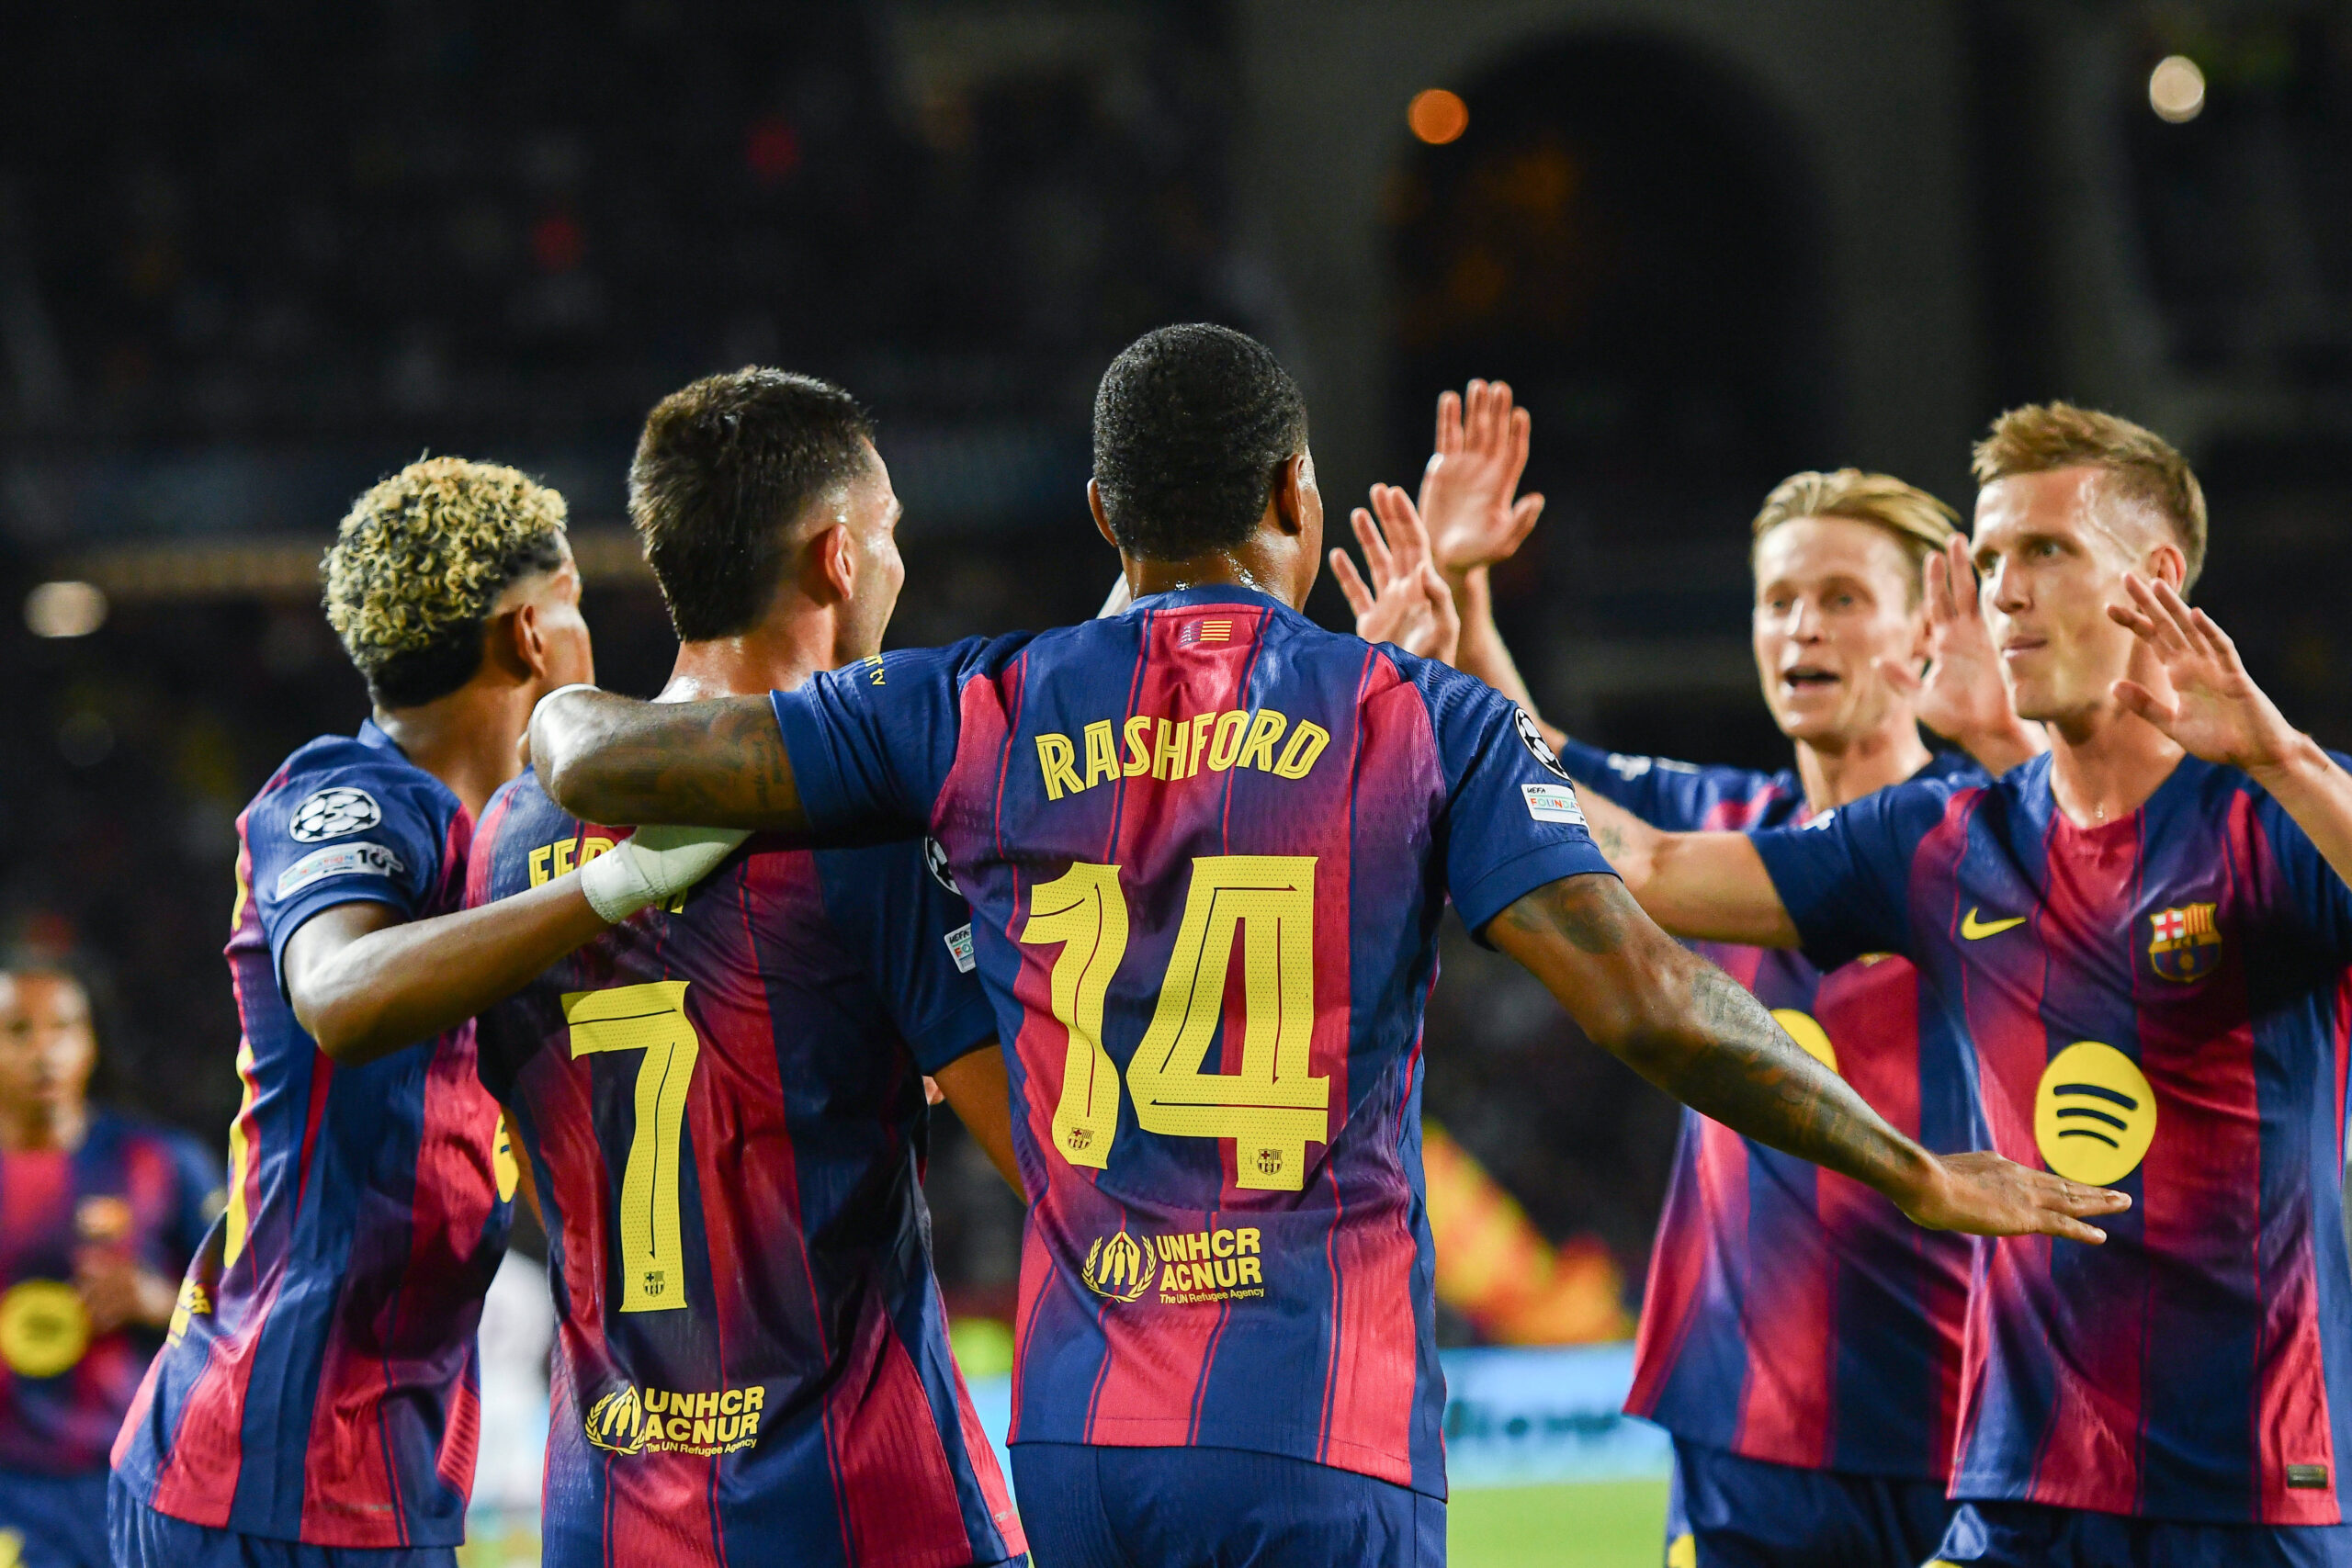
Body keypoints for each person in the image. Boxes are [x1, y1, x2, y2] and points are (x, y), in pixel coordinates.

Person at [521, 325, 2125, 1567]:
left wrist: (560, 704)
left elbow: (608, 761)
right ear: (1295, 497)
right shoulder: (1415, 720)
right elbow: (1652, 1002)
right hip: (1318, 1424)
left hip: (1080, 1440)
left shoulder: (966, 703)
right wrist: (1912, 1169)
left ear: (1101, 514)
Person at [1587, 402, 2352, 1567]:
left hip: (2253, 1483)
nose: (2002, 589)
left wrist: (2281, 755)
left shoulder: (2271, 812)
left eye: (2044, 551)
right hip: (2019, 1492)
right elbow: (1645, 867)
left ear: (2154, 578)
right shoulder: (1945, 838)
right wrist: (1437, 714)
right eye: (1990, 557)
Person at [315, 369, 1028, 1564]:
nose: (898, 565)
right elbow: (1048, 1153)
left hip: (613, 1505)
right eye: (892, 533)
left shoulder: (511, 839)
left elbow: (548, 1154)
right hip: (866, 1499)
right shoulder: (859, 825)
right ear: (840, 558)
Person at [1332, 382, 2045, 1566]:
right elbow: (1545, 773)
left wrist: (2014, 734)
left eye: (1838, 599)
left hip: (1958, 1417)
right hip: (1740, 1429)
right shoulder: (1724, 815)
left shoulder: (1988, 834)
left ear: (1927, 626)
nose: (1798, 629)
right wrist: (1464, 591)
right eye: (1776, 600)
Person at [109, 457, 629, 1568]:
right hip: (269, 1475)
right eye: (579, 605)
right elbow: (342, 992)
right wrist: (606, 891)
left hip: (382, 1464)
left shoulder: (507, 849)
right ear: (532, 635)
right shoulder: (344, 795)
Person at [0, 962, 217, 1568]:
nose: (44, 1050)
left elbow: (253, 1308)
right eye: (18, 1029)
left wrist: (160, 1299)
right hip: (9, 1489)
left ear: (90, 1041)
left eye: (64, 1027)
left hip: (139, 1479)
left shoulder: (161, 1162)